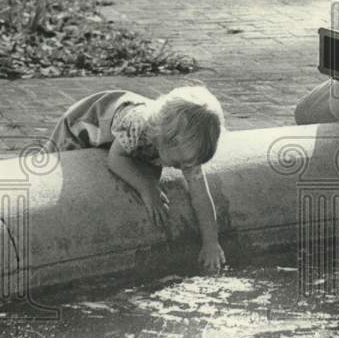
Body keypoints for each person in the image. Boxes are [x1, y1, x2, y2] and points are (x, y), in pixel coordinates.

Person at [47, 86, 226, 273]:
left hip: (130, 127)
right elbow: (116, 159)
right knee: (51, 163)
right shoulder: (138, 127)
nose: (184, 169)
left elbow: (201, 197)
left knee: (148, 163)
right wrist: (147, 188)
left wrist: (211, 243)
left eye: (187, 164)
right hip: (83, 122)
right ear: (165, 139)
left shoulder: (187, 151)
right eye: (177, 163)